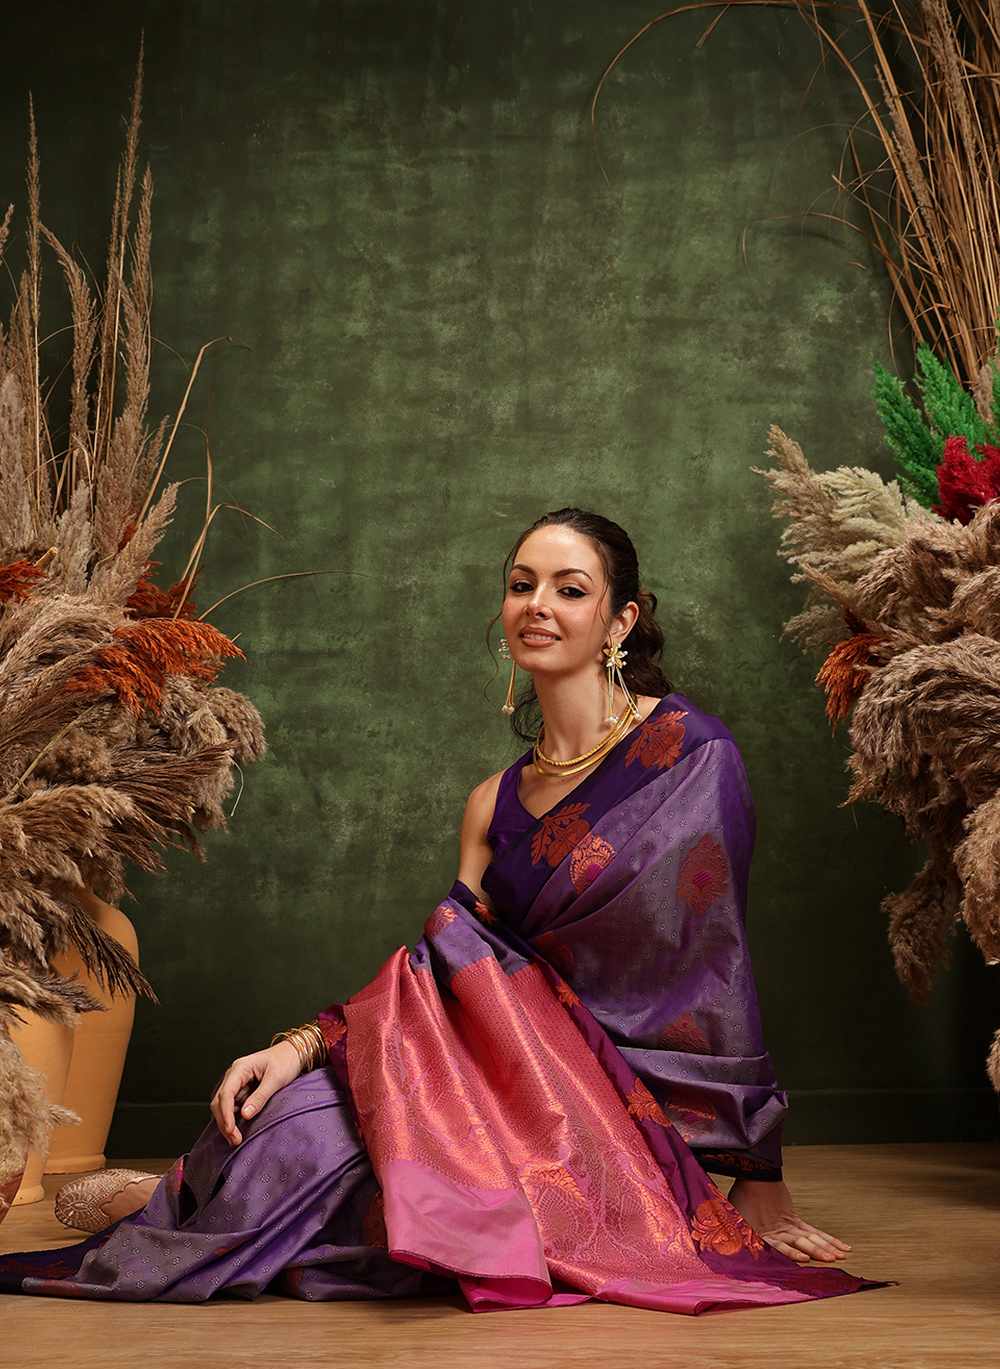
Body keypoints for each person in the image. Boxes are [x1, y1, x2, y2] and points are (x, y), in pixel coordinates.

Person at [0, 509, 890, 1310]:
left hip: (619, 1111)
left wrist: (758, 1168)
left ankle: (162, 1207)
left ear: (620, 621)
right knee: (299, 1118)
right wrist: (299, 1044)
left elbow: (715, 974)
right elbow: (441, 968)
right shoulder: (492, 802)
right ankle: (179, 1199)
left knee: (410, 1205)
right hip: (492, 1073)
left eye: (570, 589)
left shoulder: (691, 757)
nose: (538, 605)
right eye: (522, 584)